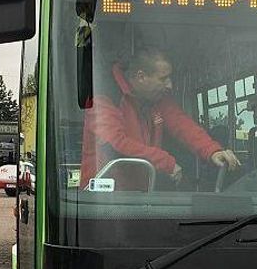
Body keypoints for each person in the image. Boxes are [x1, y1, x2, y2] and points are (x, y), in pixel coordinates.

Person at [79, 47, 241, 189]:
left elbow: (182, 125)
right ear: (141, 77)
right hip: (100, 201)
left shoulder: (156, 98)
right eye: (163, 79)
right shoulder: (103, 95)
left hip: (141, 194)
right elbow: (116, 146)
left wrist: (212, 151)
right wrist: (165, 163)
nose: (169, 85)